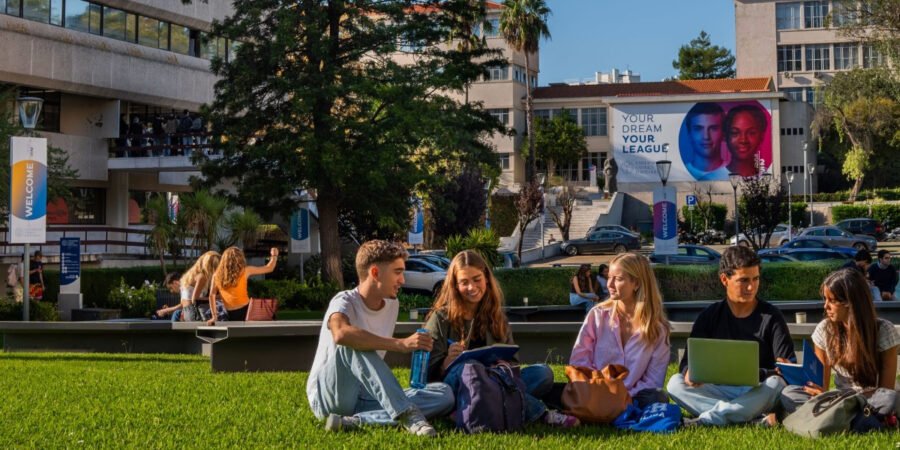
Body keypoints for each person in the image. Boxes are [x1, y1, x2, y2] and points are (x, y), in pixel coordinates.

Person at [307, 240, 453, 437]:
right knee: (351, 342)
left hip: (367, 395)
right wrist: (400, 344)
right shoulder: (343, 301)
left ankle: (356, 421)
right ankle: (408, 415)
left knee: (444, 394)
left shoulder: (392, 304)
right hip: (332, 397)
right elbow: (341, 333)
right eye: (397, 272)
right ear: (375, 273)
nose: (402, 280)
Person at [423, 250, 580, 428]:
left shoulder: (496, 316)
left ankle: (469, 407)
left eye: (476, 279)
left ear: (486, 278)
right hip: (455, 386)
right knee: (469, 366)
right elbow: (426, 376)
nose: (472, 287)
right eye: (464, 282)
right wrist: (446, 363)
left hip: (496, 379)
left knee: (542, 373)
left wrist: (502, 363)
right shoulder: (441, 318)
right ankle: (542, 414)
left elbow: (514, 364)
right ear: (455, 285)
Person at [666, 245, 795, 426]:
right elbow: (687, 364)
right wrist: (689, 373)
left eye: (756, 279)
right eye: (743, 280)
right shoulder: (709, 316)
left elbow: (786, 369)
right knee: (675, 384)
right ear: (724, 279)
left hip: (757, 390)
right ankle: (748, 417)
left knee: (776, 384)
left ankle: (709, 419)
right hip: (717, 390)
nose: (751, 287)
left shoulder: (772, 316)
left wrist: (785, 367)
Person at [780, 268, 900, 414]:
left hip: (871, 399)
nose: (825, 306)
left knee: (890, 399)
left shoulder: (884, 331)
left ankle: (837, 415)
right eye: (825, 299)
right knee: (789, 393)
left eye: (832, 301)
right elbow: (821, 387)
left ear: (851, 302)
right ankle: (847, 416)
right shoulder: (825, 330)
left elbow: (886, 389)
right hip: (838, 399)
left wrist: (847, 400)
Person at [570, 253, 670, 408]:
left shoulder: (657, 329)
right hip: (596, 392)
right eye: (609, 277)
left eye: (618, 279)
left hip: (632, 398)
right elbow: (579, 361)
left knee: (658, 396)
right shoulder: (597, 315)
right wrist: (600, 390)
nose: (609, 284)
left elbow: (653, 381)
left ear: (637, 283)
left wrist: (621, 396)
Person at [208, 246, 278, 324]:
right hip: (245, 311)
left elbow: (212, 295)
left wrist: (214, 316)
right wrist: (274, 255)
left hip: (233, 311)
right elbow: (269, 268)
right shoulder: (245, 271)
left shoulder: (216, 275)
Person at [683, 103, 729, 181]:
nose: (706, 137)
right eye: (698, 129)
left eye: (713, 128)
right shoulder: (681, 173)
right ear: (689, 134)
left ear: (723, 133)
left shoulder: (735, 175)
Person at [724, 105, 768, 177]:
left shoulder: (769, 176)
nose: (743, 140)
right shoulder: (711, 179)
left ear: (761, 136)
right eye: (735, 133)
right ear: (726, 136)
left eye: (751, 133)